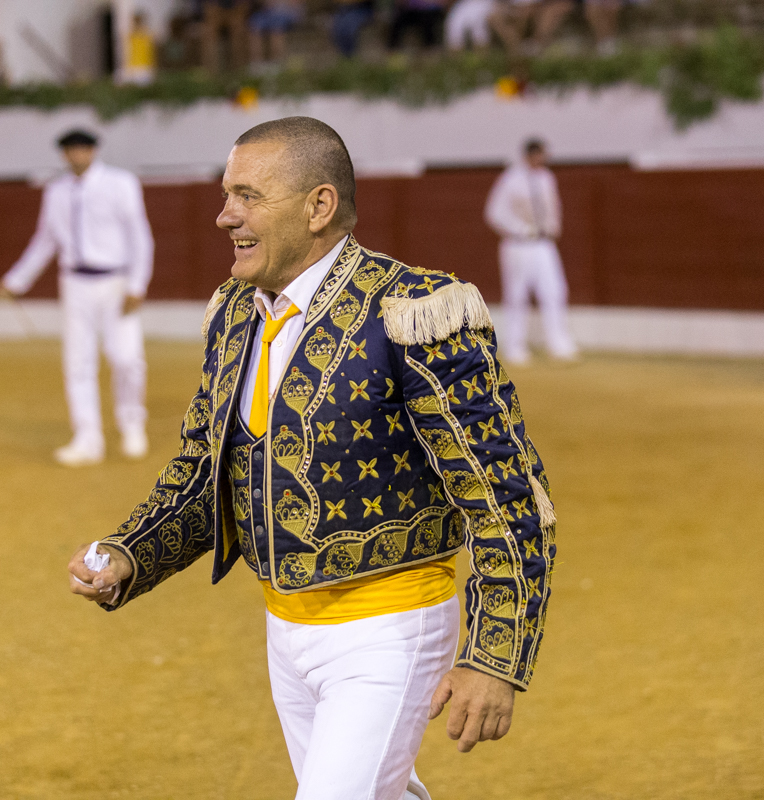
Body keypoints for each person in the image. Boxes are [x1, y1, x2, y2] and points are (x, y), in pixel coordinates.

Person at [68, 117, 556, 798]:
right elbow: (204, 475)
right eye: (225, 193)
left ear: (318, 206)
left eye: (246, 196)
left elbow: (505, 493)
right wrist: (132, 552)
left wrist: (495, 656)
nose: (223, 216)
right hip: (285, 630)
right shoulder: (236, 314)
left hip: (390, 625)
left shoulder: (414, 309)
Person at [0, 130, 155, 467]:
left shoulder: (120, 183)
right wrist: (15, 281)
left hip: (116, 280)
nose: (76, 156)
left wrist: (137, 284)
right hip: (75, 284)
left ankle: (132, 424)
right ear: (64, 155)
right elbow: (46, 240)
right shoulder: (57, 191)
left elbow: (139, 235)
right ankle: (87, 437)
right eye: (70, 151)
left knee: (126, 358)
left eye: (82, 150)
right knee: (78, 362)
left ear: (93, 151)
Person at [484, 138, 577, 364]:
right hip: (518, 244)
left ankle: (558, 343)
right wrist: (520, 229)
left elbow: (553, 206)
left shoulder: (546, 178)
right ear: (529, 155)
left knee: (555, 290)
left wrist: (554, 226)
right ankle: (515, 346)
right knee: (517, 295)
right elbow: (494, 212)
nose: (542, 160)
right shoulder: (511, 179)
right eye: (539, 155)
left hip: (543, 243)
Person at [488, 0, 572, 56]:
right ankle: (517, 52)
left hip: (540, 9)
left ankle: (537, 50)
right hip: (515, 10)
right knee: (494, 18)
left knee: (548, 14)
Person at [248, 0, 303, 64]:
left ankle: (278, 61)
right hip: (266, 12)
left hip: (287, 11)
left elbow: (296, 3)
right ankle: (257, 63)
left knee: (276, 28)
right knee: (254, 26)